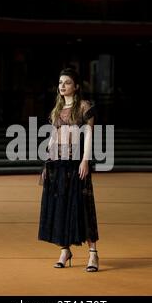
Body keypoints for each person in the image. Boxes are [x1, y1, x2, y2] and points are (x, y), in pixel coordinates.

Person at [38, 68, 100, 272]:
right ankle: (65, 250)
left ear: (76, 86)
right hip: (58, 163)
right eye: (60, 82)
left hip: (76, 164)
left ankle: (93, 254)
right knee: (60, 208)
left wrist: (85, 160)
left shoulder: (84, 107)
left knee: (82, 206)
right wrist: (47, 163)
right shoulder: (57, 110)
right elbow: (53, 138)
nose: (62, 86)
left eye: (67, 82)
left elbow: (89, 135)